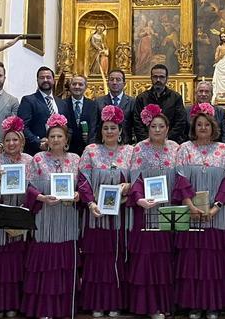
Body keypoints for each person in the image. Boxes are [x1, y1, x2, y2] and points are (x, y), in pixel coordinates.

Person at [174, 104, 225, 318]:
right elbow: (180, 180)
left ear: (213, 127)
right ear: (193, 127)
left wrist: (216, 207)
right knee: (193, 263)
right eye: (199, 124)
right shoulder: (184, 149)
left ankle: (213, 305)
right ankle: (195, 305)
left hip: (215, 217)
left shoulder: (223, 149)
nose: (202, 127)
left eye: (206, 124)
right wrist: (190, 206)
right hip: (191, 213)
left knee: (213, 263)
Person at [21, 114, 80, 319]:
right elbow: (27, 186)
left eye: (59, 136)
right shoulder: (37, 159)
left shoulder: (75, 159)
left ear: (66, 140)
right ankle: (44, 308)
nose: (56, 140)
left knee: (64, 262)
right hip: (45, 216)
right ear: (47, 139)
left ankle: (62, 309)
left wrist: (77, 195)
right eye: (52, 136)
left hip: (66, 217)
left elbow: (82, 186)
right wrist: (41, 197)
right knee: (45, 263)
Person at [78, 105, 133, 317]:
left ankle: (115, 303)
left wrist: (127, 189)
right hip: (96, 216)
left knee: (117, 259)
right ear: (101, 131)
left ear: (120, 131)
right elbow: (83, 181)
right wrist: (91, 203)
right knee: (97, 260)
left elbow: (136, 180)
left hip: (120, 217)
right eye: (106, 128)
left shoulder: (130, 152)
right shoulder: (91, 151)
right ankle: (97, 303)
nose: (109, 131)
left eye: (113, 128)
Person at [127, 105, 180, 319]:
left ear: (168, 129)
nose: (157, 130)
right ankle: (148, 306)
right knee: (147, 259)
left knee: (165, 259)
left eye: (161, 126)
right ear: (148, 128)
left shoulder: (177, 148)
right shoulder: (139, 148)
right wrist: (139, 199)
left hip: (170, 210)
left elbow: (183, 178)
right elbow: (135, 178)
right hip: (146, 211)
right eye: (153, 126)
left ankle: (165, 304)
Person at [0, 116, 33, 319]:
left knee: (18, 263)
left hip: (20, 214)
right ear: (3, 142)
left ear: (22, 141)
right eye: (8, 140)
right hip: (0, 218)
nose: (11, 144)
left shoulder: (29, 161)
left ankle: (13, 305)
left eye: (15, 140)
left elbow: (34, 189)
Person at [133, 64, 187, 143]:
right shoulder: (142, 98)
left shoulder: (176, 97)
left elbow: (180, 121)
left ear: (166, 79)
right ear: (151, 78)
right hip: (147, 143)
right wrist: (147, 140)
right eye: (155, 77)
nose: (158, 80)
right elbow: (137, 122)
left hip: (170, 142)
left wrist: (167, 139)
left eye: (161, 77)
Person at [19, 66, 69, 154]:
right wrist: (38, 142)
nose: (45, 80)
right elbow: (23, 126)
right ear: (37, 81)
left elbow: (68, 127)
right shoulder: (29, 100)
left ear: (53, 80)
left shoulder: (62, 103)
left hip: (59, 152)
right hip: (36, 152)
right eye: (42, 78)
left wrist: (64, 142)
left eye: (48, 77)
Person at [186, 80, 225, 147]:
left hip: (215, 150)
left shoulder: (220, 112)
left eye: (207, 92)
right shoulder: (187, 111)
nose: (203, 94)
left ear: (212, 95)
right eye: (201, 91)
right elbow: (183, 134)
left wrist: (223, 150)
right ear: (196, 93)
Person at [94, 69, 135, 144]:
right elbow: (94, 126)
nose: (114, 82)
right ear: (107, 83)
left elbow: (135, 126)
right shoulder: (98, 102)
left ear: (124, 83)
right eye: (112, 79)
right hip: (103, 144)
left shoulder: (132, 102)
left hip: (125, 144)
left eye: (118, 80)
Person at [62, 75, 98, 154]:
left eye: (80, 84)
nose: (77, 87)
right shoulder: (62, 104)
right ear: (70, 86)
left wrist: (90, 139)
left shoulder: (93, 105)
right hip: (67, 149)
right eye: (74, 84)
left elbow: (95, 126)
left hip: (87, 149)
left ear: (86, 87)